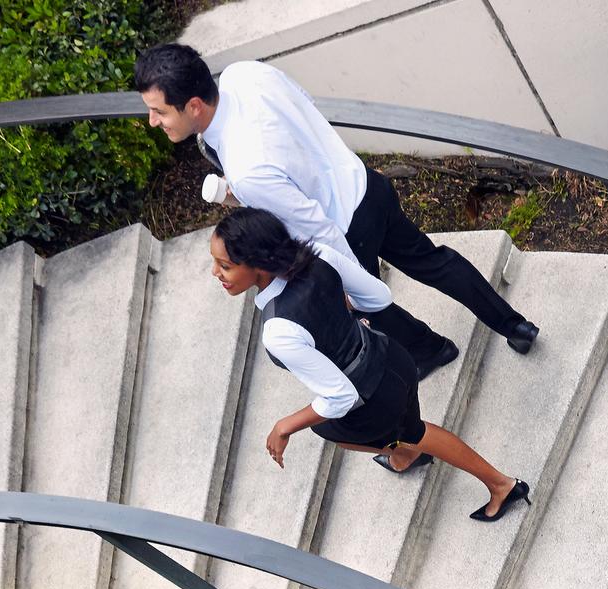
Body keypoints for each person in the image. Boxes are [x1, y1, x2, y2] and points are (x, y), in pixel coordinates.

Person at [135, 43, 540, 381]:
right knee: (433, 261)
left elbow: (313, 225)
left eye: (160, 112)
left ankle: (432, 350)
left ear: (193, 106)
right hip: (365, 184)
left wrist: (346, 282)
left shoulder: (248, 169)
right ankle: (515, 325)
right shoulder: (244, 73)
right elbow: (306, 106)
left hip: (344, 229)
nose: (152, 122)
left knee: (375, 306)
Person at [211, 207, 531, 523]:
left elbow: (340, 397)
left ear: (257, 264)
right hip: (392, 356)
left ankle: (500, 485)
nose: (216, 273)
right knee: (401, 427)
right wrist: (348, 316)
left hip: (373, 395)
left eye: (224, 266)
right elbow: (377, 297)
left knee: (345, 427)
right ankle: (404, 454)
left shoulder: (278, 330)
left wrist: (285, 426)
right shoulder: (316, 254)